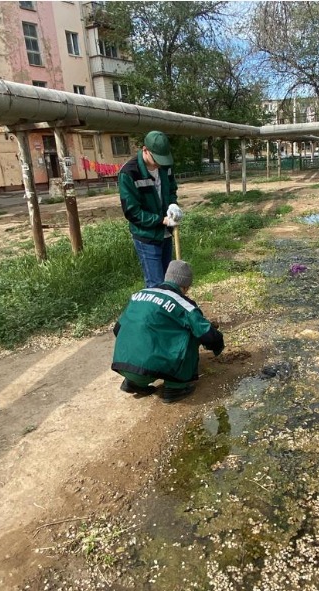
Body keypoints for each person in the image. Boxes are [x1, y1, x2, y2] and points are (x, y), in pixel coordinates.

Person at [111, 260, 225, 404]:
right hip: (151, 365)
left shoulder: (139, 295)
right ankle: (175, 388)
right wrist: (218, 345)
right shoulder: (184, 304)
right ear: (185, 286)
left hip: (123, 364)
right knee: (190, 334)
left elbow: (118, 329)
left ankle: (134, 382)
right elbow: (207, 335)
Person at [118, 130, 182, 287]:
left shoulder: (165, 166)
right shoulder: (129, 173)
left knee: (169, 281)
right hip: (146, 236)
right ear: (145, 150)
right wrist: (161, 220)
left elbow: (171, 190)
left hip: (166, 234)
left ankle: (167, 311)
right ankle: (155, 311)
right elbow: (132, 212)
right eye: (156, 159)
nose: (159, 164)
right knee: (156, 284)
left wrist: (173, 205)